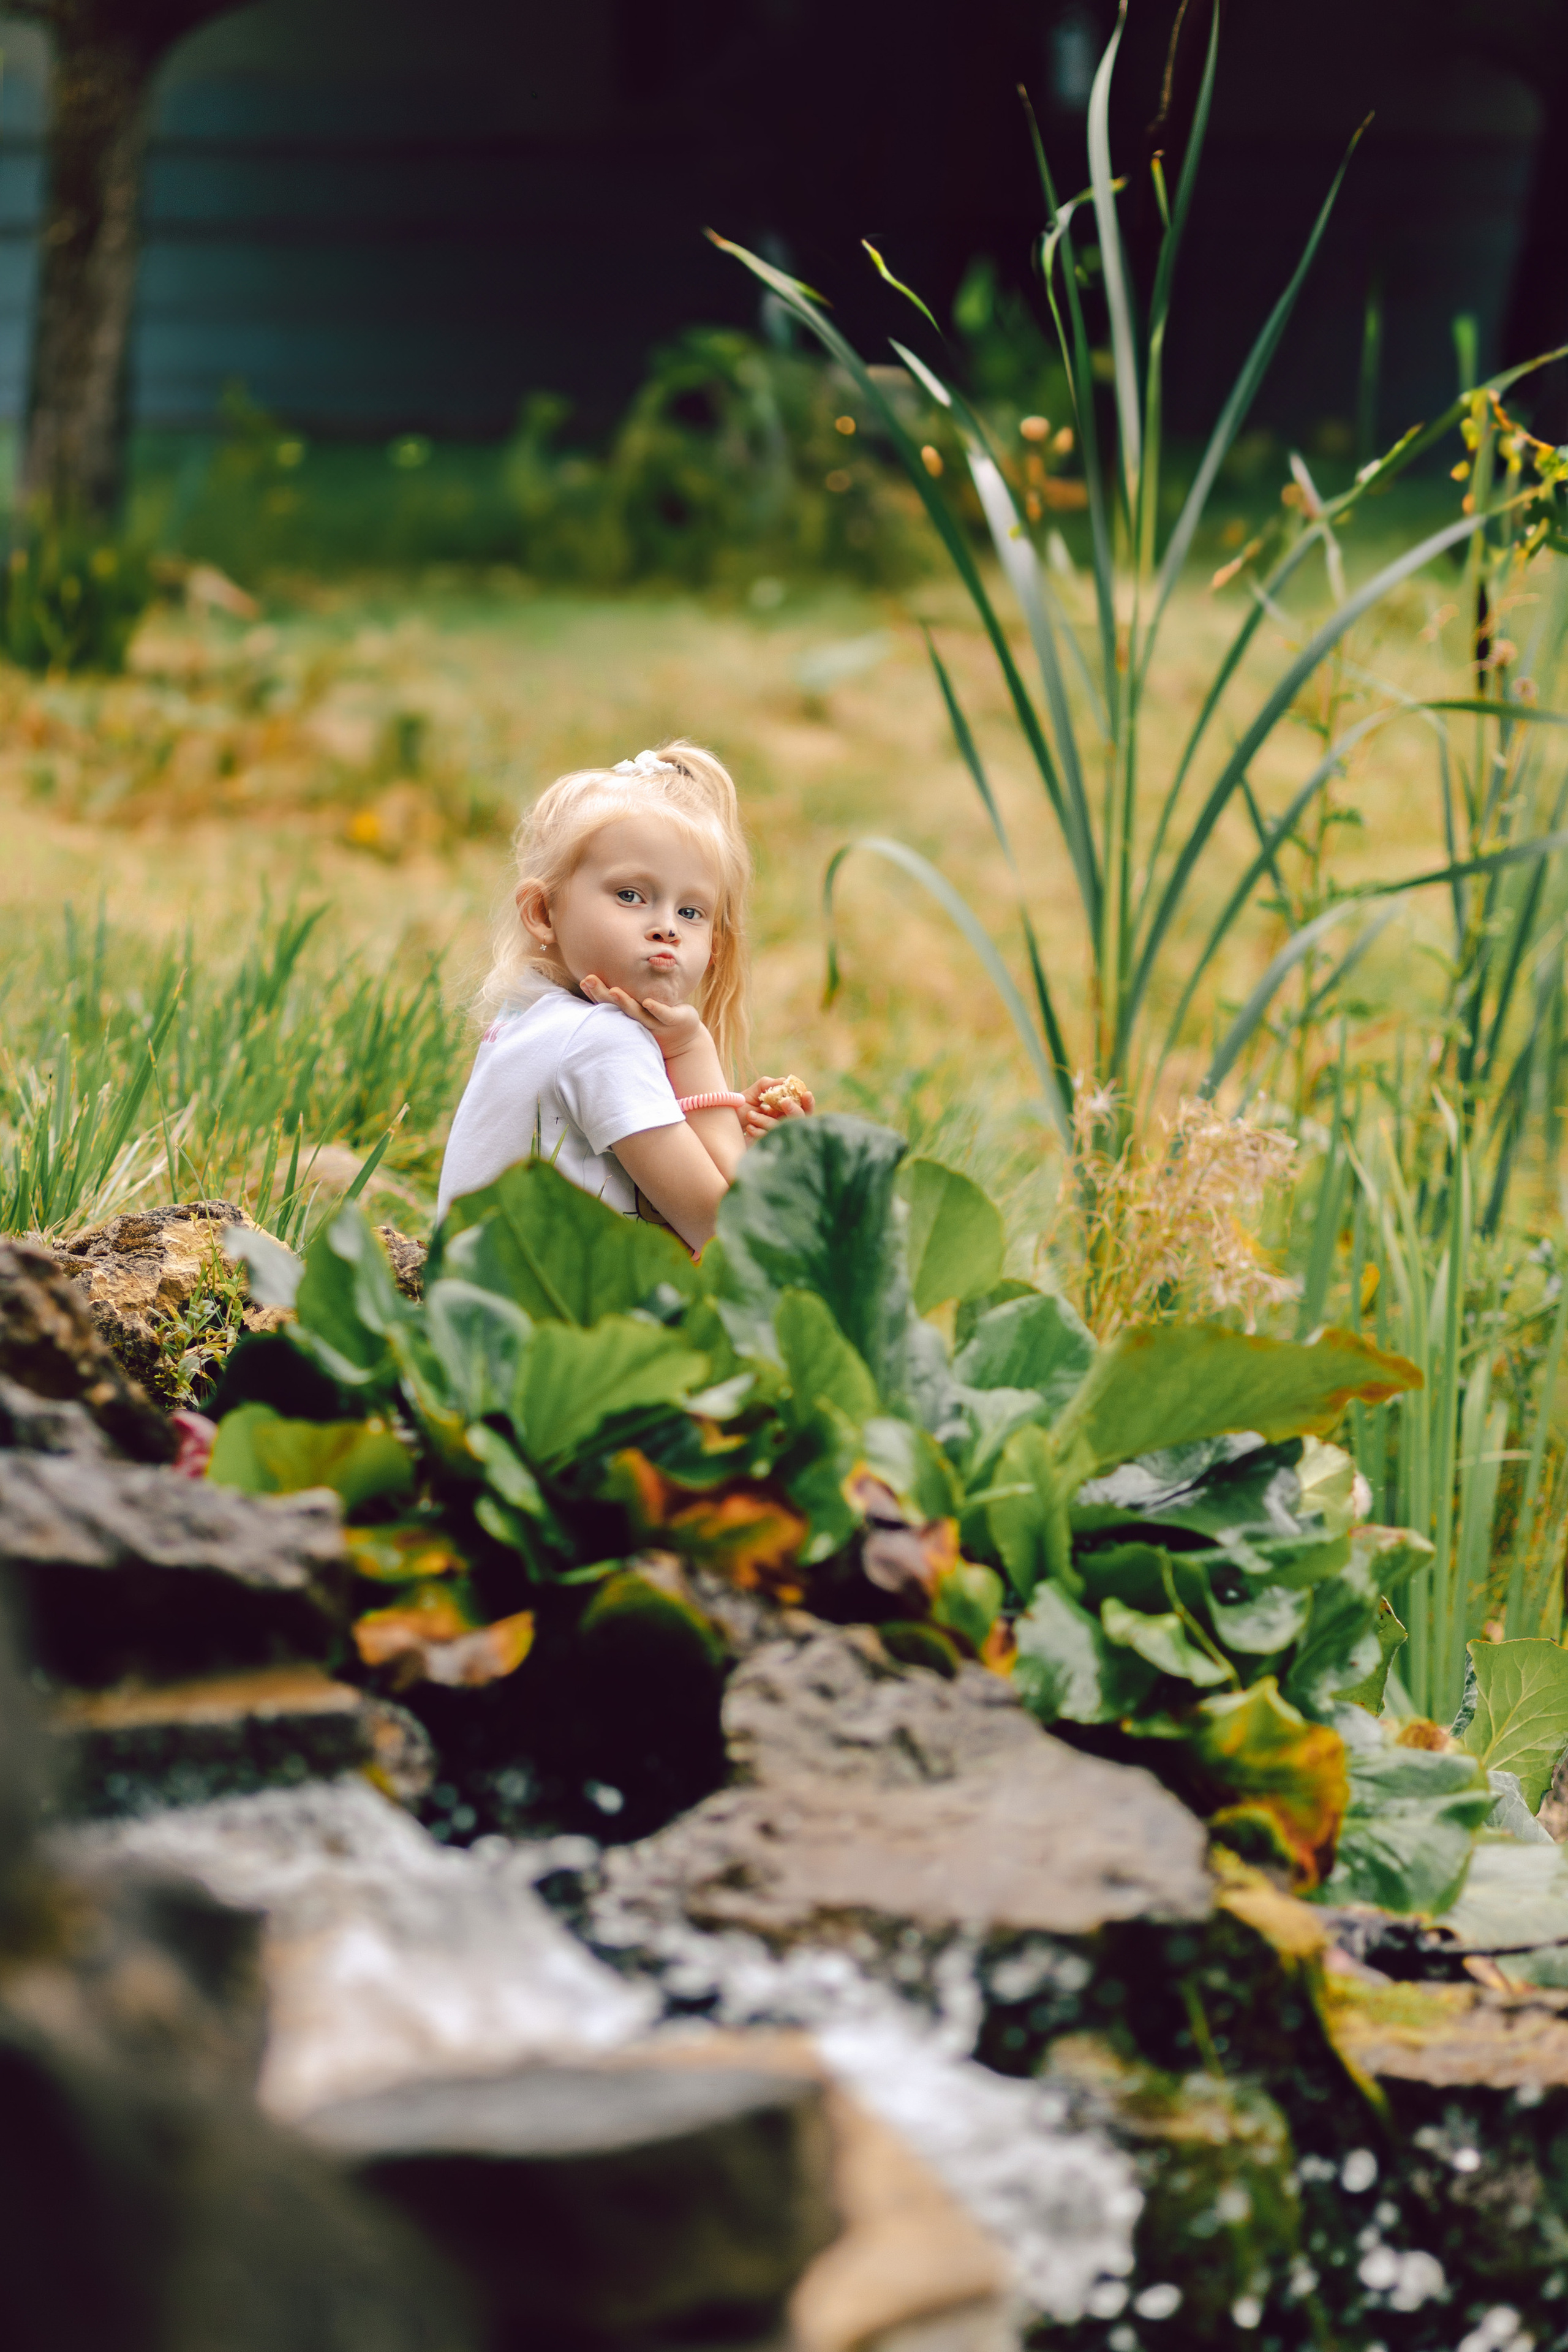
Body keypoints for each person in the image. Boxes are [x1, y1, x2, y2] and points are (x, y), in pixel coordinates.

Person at [437, 741, 813, 1252]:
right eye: (631, 896)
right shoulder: (602, 1041)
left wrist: (723, 1125)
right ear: (543, 912)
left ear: (714, 946)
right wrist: (693, 1051)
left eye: (691, 913)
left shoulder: (527, 1019)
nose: (666, 928)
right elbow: (728, 1237)